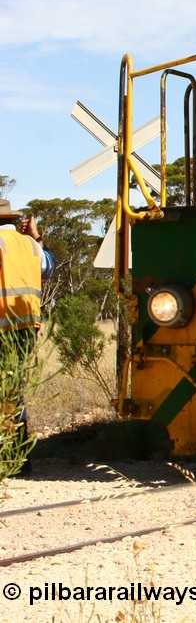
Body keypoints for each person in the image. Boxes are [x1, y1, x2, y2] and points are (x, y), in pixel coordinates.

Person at [0, 198, 54, 476]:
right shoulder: (32, 246)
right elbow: (49, 268)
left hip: (1, 329)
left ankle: (12, 459)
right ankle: (17, 460)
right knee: (12, 392)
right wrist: (36, 236)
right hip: (26, 329)